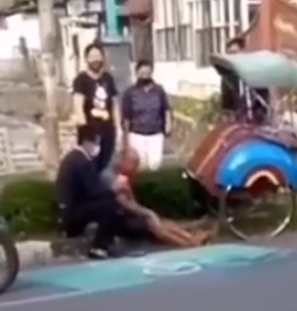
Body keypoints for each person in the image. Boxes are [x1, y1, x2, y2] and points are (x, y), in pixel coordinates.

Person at [56, 138, 208, 259]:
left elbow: (131, 201)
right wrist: (144, 212)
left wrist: (143, 210)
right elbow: (123, 202)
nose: (135, 169)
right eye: (133, 164)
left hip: (126, 212)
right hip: (121, 216)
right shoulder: (110, 178)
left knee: (158, 218)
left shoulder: (122, 176)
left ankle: (190, 237)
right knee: (152, 222)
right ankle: (188, 243)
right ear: (124, 161)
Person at [72, 43, 120, 176]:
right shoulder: (81, 80)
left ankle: (104, 194)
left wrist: (118, 128)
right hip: (90, 133)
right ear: (86, 59)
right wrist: (84, 132)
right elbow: (78, 106)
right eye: (92, 56)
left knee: (106, 166)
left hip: (108, 131)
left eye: (98, 56)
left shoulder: (108, 78)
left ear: (103, 58)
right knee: (89, 167)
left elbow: (115, 104)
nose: (95, 60)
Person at [121, 60, 171, 171]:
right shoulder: (130, 92)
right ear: (137, 73)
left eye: (147, 73)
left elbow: (166, 109)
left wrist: (168, 125)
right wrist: (125, 138)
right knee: (140, 165)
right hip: (137, 134)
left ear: (151, 72)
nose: (145, 76)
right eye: (142, 73)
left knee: (155, 164)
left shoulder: (159, 90)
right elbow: (126, 117)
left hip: (156, 134)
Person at [218, 37, 269, 123]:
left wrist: (262, 111)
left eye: (236, 53)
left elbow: (264, 95)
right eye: (230, 54)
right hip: (239, 121)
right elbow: (226, 104)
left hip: (257, 119)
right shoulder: (227, 79)